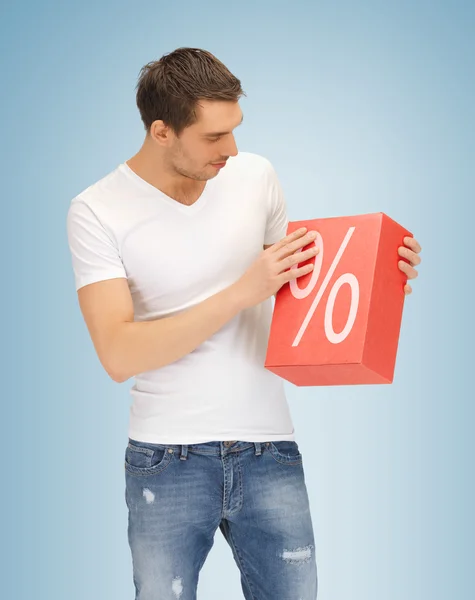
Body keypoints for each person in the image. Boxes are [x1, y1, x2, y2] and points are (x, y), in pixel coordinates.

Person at [66, 47, 422, 600]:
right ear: (162, 132)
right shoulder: (96, 211)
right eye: (213, 138)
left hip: (270, 449)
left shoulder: (256, 176)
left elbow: (301, 292)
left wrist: (383, 273)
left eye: (234, 130)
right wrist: (240, 293)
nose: (231, 150)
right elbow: (118, 352)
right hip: (167, 458)